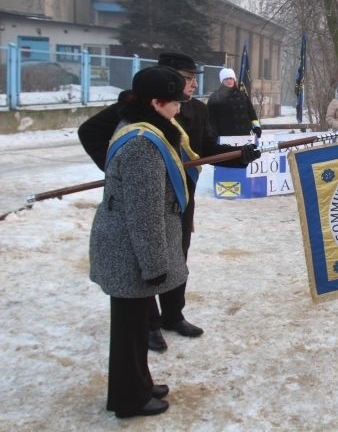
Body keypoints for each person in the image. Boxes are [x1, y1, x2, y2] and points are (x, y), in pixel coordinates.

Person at [78, 52, 261, 352]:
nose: (191, 85)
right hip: (145, 199)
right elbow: (90, 132)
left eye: (192, 80)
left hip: (181, 195)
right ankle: (148, 324)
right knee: (148, 258)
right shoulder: (137, 105)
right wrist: (118, 174)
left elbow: (206, 147)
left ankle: (173, 315)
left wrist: (239, 157)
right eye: (186, 80)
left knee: (177, 254)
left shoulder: (198, 110)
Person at [89, 66, 190, 418]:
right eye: (175, 102)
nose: (179, 108)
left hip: (126, 246)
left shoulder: (141, 127)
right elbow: (144, 215)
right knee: (130, 332)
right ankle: (129, 398)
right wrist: (155, 267)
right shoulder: (143, 144)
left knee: (131, 328)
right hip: (129, 251)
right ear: (156, 102)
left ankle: (139, 384)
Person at [207, 67, 262, 137]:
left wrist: (256, 127)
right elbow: (211, 118)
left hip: (245, 136)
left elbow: (251, 113)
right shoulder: (215, 96)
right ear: (222, 81)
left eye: (231, 78)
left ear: (234, 80)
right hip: (225, 137)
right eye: (226, 79)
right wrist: (213, 133)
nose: (229, 81)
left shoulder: (243, 95)